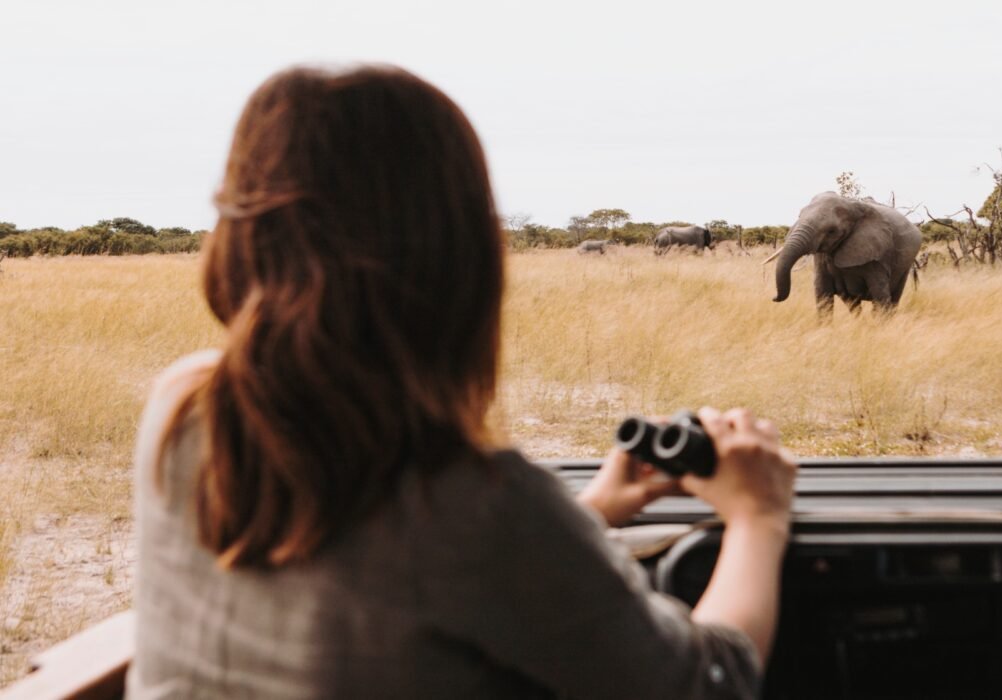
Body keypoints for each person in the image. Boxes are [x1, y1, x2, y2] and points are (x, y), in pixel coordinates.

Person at [128, 64, 796, 699]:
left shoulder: (182, 403)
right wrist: (758, 516)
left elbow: (368, 573)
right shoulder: (475, 503)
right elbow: (706, 686)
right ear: (462, 261)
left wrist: (589, 511)